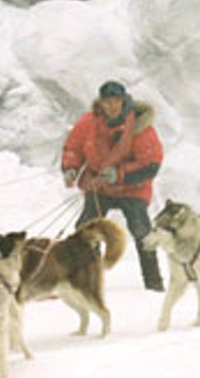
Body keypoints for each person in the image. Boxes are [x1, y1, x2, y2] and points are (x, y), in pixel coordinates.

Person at [62, 79, 165, 291]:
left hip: (132, 190)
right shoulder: (88, 122)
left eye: (115, 101)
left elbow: (150, 166)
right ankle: (87, 278)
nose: (111, 106)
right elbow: (73, 148)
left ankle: (153, 283)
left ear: (124, 100)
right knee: (85, 228)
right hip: (100, 188)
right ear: (101, 103)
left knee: (141, 230)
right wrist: (70, 168)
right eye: (107, 101)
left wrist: (119, 175)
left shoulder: (140, 126)